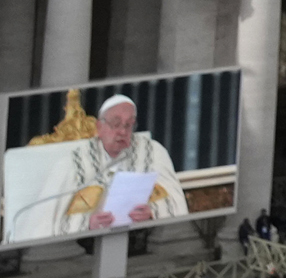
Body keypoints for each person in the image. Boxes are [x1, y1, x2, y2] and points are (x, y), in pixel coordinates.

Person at [45, 92, 191, 234]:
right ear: (99, 127)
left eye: (128, 125)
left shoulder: (152, 152)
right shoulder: (74, 161)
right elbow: (49, 221)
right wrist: (87, 223)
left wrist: (152, 213)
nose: (122, 131)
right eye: (116, 124)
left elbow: (176, 205)